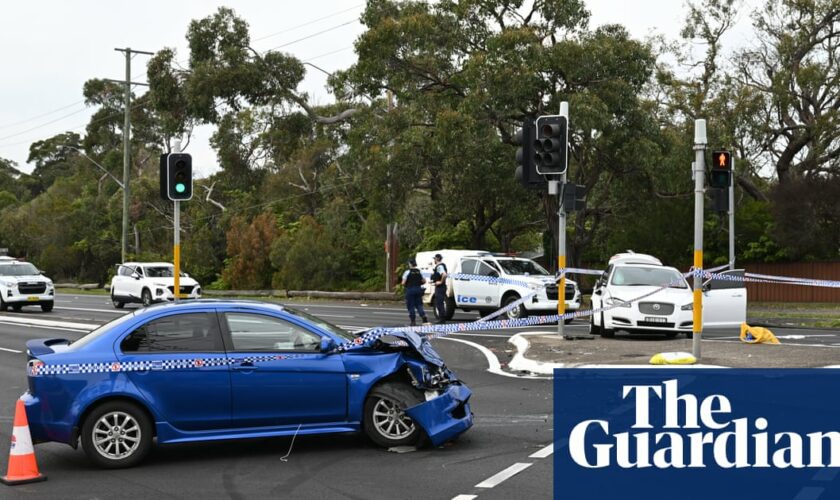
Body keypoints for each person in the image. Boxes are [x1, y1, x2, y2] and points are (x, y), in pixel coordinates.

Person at [401, 258, 428, 326]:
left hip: (410, 290)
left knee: (411, 306)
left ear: (410, 264)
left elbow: (403, 283)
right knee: (419, 304)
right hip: (418, 289)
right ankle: (423, 317)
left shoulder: (407, 272)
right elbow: (424, 281)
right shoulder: (419, 271)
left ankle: (413, 321)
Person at [430, 253, 448, 323]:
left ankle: (442, 319)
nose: (434, 260)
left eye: (434, 258)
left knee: (439, 303)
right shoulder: (440, 266)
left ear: (437, 259)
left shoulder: (439, 266)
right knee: (439, 303)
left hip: (440, 287)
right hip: (441, 287)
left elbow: (444, 275)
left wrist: (440, 282)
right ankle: (441, 319)